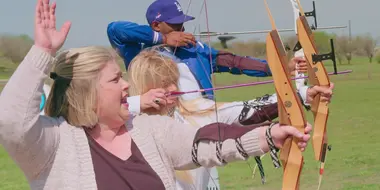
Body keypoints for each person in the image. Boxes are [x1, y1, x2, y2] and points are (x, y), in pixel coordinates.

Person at [0, 0, 317, 189]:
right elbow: (115, 29)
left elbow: (205, 134)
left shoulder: (149, 130)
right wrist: (42, 52)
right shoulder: (55, 144)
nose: (125, 84)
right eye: (115, 80)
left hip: (193, 137)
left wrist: (283, 80)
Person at [126, 47, 335, 189]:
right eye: (163, 85)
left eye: (173, 82)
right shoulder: (125, 127)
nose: (172, 89)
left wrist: (301, 95)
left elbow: (247, 111)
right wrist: (136, 103)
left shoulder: (194, 111)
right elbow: (94, 113)